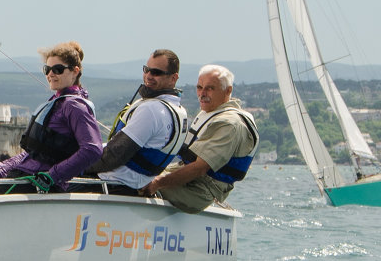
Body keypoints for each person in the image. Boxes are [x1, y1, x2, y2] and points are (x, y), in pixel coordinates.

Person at [0, 41, 103, 192]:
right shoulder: (56, 103)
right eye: (47, 69)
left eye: (58, 69)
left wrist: (51, 176)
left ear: (75, 71)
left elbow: (93, 149)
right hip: (26, 177)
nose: (51, 74)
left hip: (40, 186)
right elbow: (33, 154)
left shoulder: (75, 107)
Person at [141, 64, 259, 213]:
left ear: (228, 90)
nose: (202, 93)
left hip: (201, 190)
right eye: (199, 87)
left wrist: (156, 183)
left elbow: (199, 168)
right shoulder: (212, 112)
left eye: (210, 88)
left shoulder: (230, 124)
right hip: (188, 177)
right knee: (129, 175)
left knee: (136, 184)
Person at [82, 49, 187, 195]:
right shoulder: (180, 111)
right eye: (146, 70)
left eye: (156, 72)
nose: (148, 76)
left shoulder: (152, 109)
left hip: (111, 185)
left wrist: (77, 165)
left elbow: (115, 155)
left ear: (173, 78)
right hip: (135, 187)